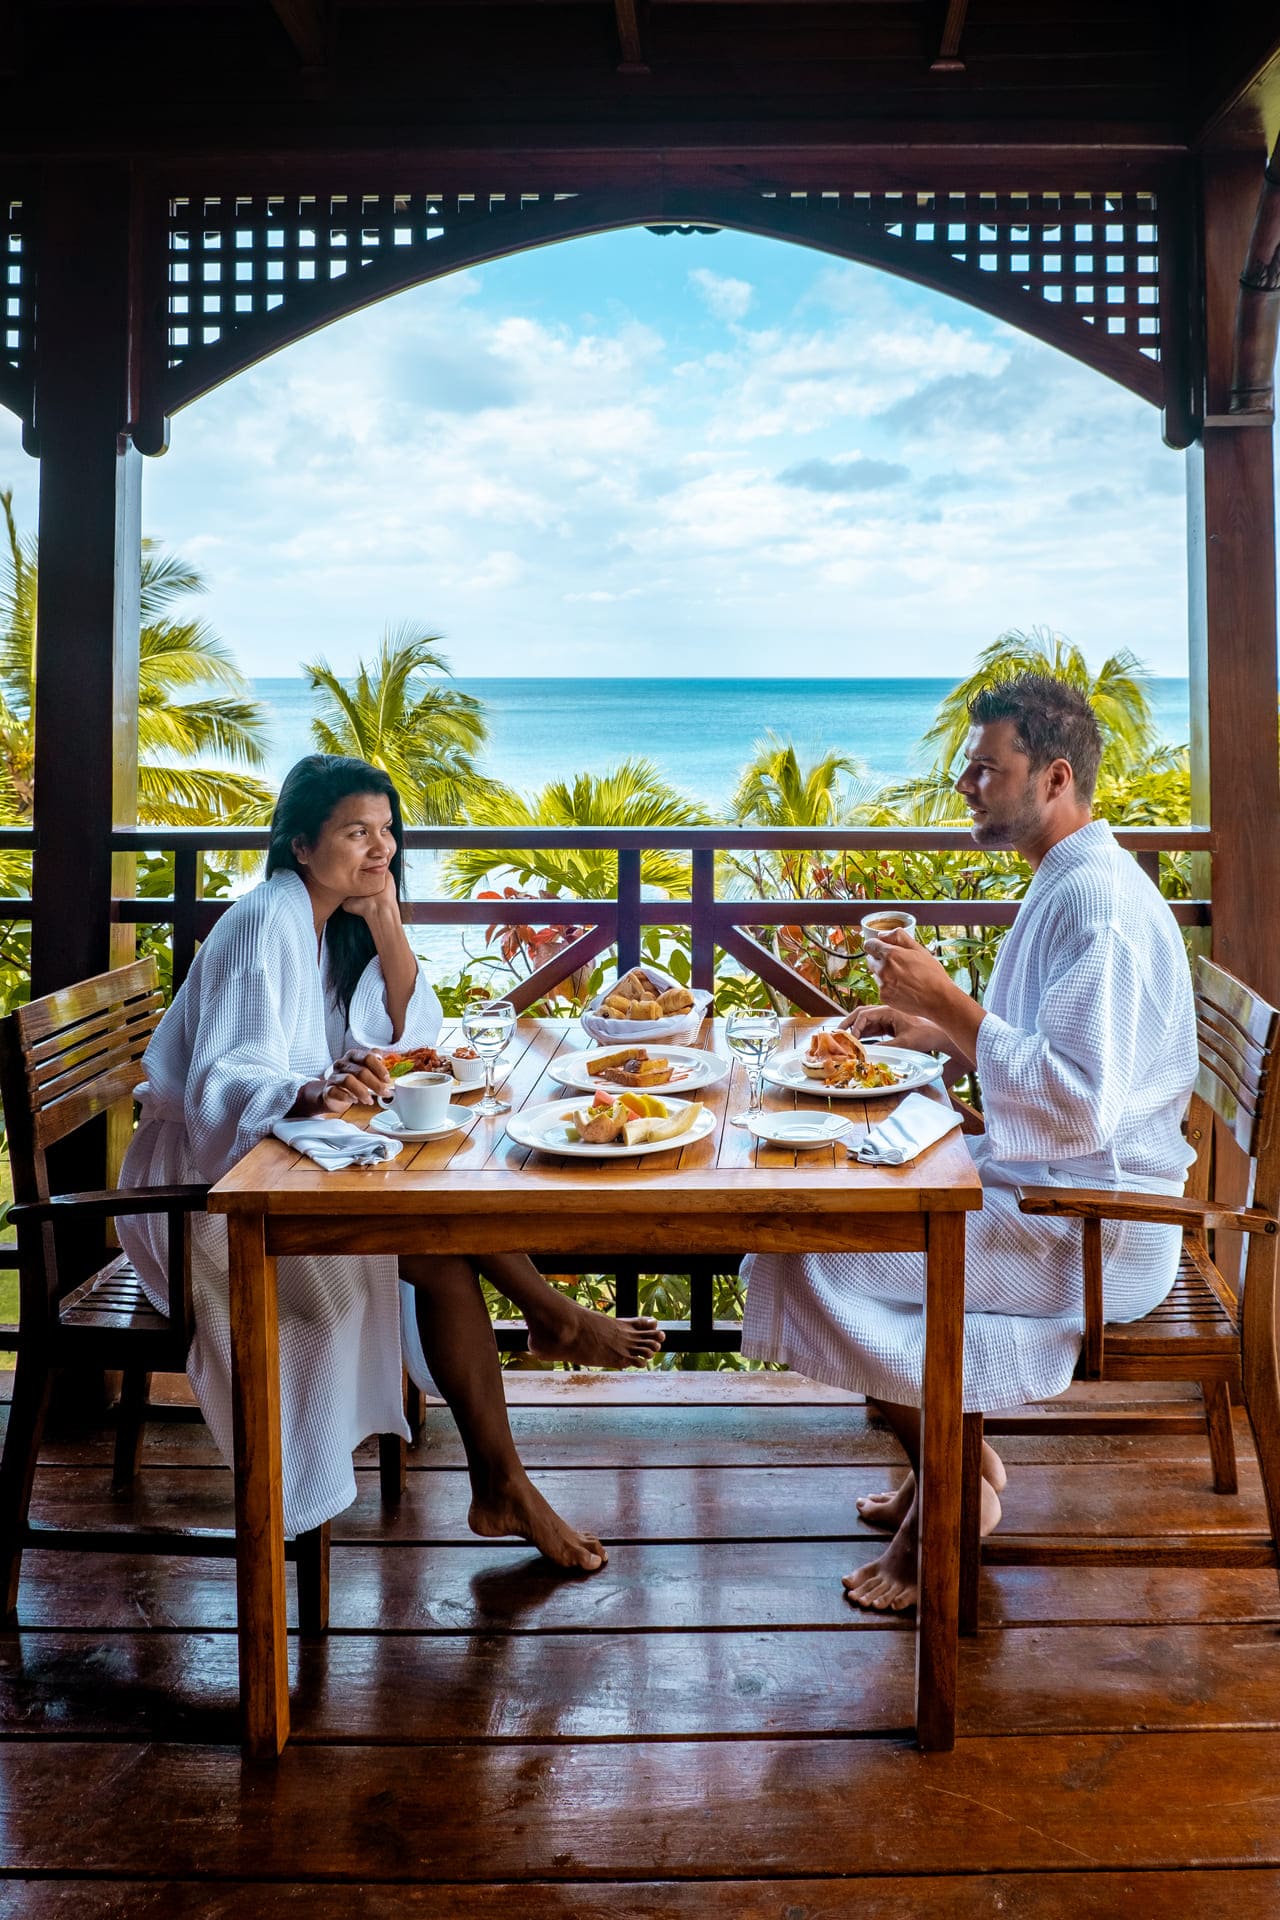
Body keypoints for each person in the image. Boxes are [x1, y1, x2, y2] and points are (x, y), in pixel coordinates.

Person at [119, 753, 663, 1574]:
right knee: (440, 1240)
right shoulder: (268, 918)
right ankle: (539, 1364)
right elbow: (221, 1081)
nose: (380, 849)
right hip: (197, 1197)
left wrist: (385, 918)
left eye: (387, 832)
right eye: (356, 832)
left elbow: (403, 1036)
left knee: (440, 1226)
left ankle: (518, 1432)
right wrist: (304, 1089)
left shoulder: (329, 918)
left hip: (271, 1168)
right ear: (301, 844)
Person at [740, 675, 1198, 1612]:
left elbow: (1077, 1106)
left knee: (810, 1257)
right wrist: (941, 1037)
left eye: (987, 769)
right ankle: (950, 1462)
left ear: (1056, 777)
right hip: (1051, 1189)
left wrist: (950, 1002)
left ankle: (950, 1491)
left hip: (1095, 1227)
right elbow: (1055, 1063)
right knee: (833, 1217)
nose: (965, 785)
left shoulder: (1099, 905)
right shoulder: (1072, 877)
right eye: (967, 767)